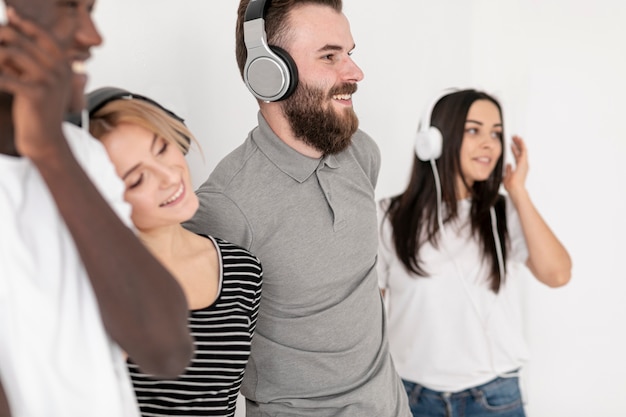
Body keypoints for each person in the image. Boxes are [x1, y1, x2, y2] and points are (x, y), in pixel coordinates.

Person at [184, 0, 411, 416]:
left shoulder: (362, 152)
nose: (355, 72)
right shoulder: (225, 207)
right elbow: (199, 368)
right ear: (268, 72)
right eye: (329, 55)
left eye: (350, 53)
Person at [0, 1, 194, 416]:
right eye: (70, 8)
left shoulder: (80, 155)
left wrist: (51, 150)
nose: (93, 36)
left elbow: (165, 348)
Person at [377, 88, 572, 417]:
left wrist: (518, 192)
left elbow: (558, 274)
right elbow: (367, 314)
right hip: (412, 396)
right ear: (433, 141)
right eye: (473, 130)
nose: (489, 144)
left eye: (496, 133)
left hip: (495, 398)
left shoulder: (503, 212)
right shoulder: (389, 216)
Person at [86, 86, 263, 417]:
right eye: (138, 179)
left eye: (163, 149)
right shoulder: (92, 290)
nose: (169, 176)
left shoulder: (243, 270)